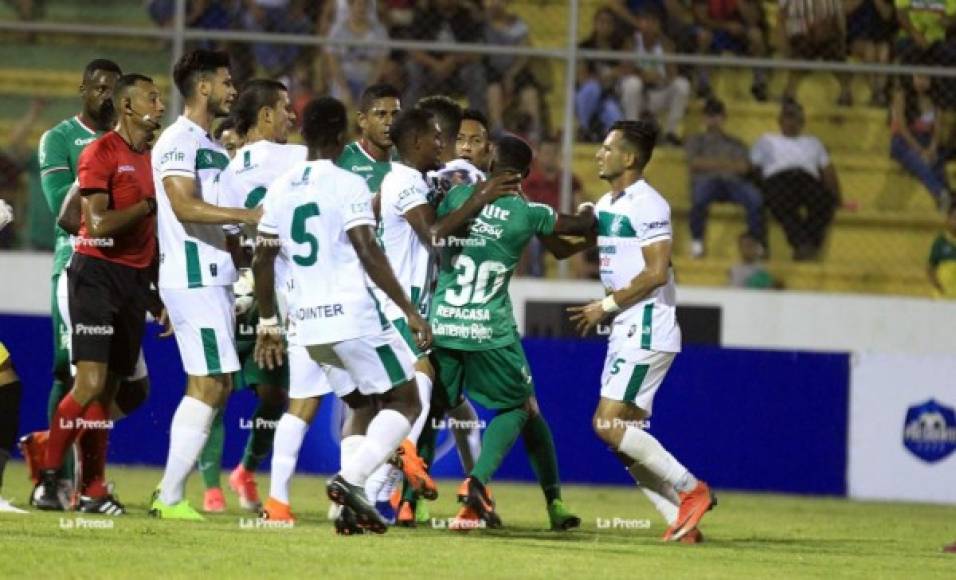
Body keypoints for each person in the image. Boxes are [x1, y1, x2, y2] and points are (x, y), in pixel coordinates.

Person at [252, 96, 431, 534]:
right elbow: (368, 249)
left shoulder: (283, 186)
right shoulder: (348, 183)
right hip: (353, 317)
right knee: (407, 400)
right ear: (340, 135)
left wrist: (269, 320)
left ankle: (352, 509)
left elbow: (261, 259)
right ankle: (351, 482)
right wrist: (409, 310)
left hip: (309, 326)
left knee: (362, 403)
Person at [428, 134, 592, 531]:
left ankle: (411, 501)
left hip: (444, 325)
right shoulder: (529, 213)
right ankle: (479, 484)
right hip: (488, 330)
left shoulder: (457, 199)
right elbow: (577, 228)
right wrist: (592, 213)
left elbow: (434, 232)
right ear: (527, 174)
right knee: (521, 406)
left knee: (435, 408)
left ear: (491, 163)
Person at [567, 119, 713, 544]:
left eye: (607, 148)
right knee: (622, 438)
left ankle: (690, 489)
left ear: (629, 158)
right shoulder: (612, 202)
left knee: (606, 425)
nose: (599, 153)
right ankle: (680, 522)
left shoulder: (649, 205)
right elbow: (580, 232)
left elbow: (655, 272)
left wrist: (605, 306)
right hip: (628, 328)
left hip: (646, 325)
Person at [32, 74, 167, 516]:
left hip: (131, 283)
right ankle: (48, 476)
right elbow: (98, 223)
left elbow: (151, 240)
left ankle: (93, 490)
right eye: (152, 97)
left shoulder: (151, 156)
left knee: (112, 393)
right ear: (128, 107)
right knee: (87, 383)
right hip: (94, 276)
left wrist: (154, 294)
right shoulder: (101, 152)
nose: (161, 104)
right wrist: (148, 205)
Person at [148, 49, 261, 520]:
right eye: (226, 81)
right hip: (193, 276)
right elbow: (183, 205)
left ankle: (170, 493)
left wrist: (249, 247)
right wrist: (245, 215)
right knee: (210, 383)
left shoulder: (214, 149)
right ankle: (170, 495)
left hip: (214, 279)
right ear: (202, 87)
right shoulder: (178, 141)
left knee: (218, 383)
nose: (233, 90)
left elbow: (228, 227)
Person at [193, 79, 302, 514]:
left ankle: (245, 469)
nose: (293, 116)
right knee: (216, 389)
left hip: (267, 294)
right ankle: (210, 486)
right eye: (285, 108)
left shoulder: (236, 171)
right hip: (236, 291)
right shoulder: (291, 160)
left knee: (272, 395)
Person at [33, 59, 122, 505]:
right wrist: (101, 156)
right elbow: (64, 214)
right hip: (77, 267)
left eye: (114, 89)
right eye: (99, 87)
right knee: (67, 372)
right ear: (82, 88)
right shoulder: (60, 139)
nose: (106, 96)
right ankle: (58, 479)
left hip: (122, 271)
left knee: (122, 383)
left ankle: (77, 470)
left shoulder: (128, 143)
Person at [750, 100, 840, 261]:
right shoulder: (766, 140)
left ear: (802, 122)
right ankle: (803, 245)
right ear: (779, 120)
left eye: (796, 118)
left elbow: (827, 170)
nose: (791, 122)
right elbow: (754, 167)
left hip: (806, 178)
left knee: (825, 201)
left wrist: (836, 194)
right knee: (780, 202)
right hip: (778, 178)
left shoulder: (813, 142)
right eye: (787, 117)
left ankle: (806, 244)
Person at [685, 98, 764, 258]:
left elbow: (743, 168)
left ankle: (755, 242)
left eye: (717, 115)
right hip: (707, 182)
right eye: (710, 115)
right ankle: (697, 242)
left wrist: (712, 164)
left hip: (733, 183)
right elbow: (695, 164)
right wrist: (729, 164)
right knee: (699, 197)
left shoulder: (736, 143)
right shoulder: (695, 140)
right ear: (704, 118)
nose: (713, 119)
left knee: (754, 198)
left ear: (723, 117)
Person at [402, 0, 487, 112]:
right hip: (428, 67)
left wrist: (454, 61)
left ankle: (476, 118)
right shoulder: (425, 14)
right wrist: (434, 64)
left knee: (475, 71)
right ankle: (407, 118)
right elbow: (411, 48)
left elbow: (477, 52)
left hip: (458, 68)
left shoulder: (467, 16)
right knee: (413, 68)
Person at [520, 136, 584, 276]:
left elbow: (580, 206)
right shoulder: (529, 182)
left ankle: (582, 286)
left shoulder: (570, 180)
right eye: (547, 153)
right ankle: (533, 284)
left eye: (554, 153)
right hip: (538, 229)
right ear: (539, 155)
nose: (550, 157)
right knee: (531, 241)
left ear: (559, 155)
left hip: (565, 227)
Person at [483, 0, 545, 141]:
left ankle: (534, 130)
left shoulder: (517, 24)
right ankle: (497, 129)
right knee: (494, 86)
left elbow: (524, 53)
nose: (494, 4)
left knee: (529, 89)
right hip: (492, 69)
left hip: (514, 69)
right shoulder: (482, 24)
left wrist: (511, 74)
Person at [890, 72, 952, 211]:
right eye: (919, 77)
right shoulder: (902, 95)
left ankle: (948, 201)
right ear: (912, 77)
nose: (922, 82)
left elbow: (937, 129)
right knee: (918, 161)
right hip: (903, 140)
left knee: (937, 162)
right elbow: (902, 128)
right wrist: (920, 150)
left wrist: (932, 148)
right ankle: (940, 193)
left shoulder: (934, 99)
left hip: (926, 139)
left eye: (926, 78)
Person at [630, 8, 692, 146]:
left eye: (652, 22)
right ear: (639, 23)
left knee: (682, 85)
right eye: (645, 21)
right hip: (639, 94)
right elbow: (625, 69)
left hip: (659, 92)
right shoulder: (632, 42)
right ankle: (632, 131)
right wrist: (642, 75)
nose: (648, 25)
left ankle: (672, 132)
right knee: (632, 83)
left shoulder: (666, 43)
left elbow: (673, 74)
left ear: (658, 25)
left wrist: (660, 78)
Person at [575, 7, 636, 141]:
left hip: (609, 96)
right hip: (587, 96)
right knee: (592, 88)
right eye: (601, 22)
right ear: (595, 24)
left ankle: (602, 137)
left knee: (614, 117)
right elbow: (582, 78)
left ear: (613, 26)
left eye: (608, 22)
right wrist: (609, 75)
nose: (604, 26)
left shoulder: (619, 46)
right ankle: (584, 129)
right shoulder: (585, 46)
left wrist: (606, 76)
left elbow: (627, 69)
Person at [778, 0, 852, 106]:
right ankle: (790, 93)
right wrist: (784, 47)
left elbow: (839, 18)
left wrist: (842, 41)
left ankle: (846, 91)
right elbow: (781, 18)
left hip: (827, 35)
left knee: (835, 50)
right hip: (800, 35)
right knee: (801, 52)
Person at [692, 0, 769, 100]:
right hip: (712, 30)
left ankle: (759, 83)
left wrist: (741, 4)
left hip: (739, 32)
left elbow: (753, 21)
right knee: (703, 36)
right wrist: (726, 26)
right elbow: (701, 19)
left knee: (756, 35)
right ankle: (703, 83)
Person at [336, 83, 402, 194]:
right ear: (362, 120)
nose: (390, 122)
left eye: (395, 114)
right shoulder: (342, 160)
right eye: (381, 114)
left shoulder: (407, 159)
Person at [326, 0, 390, 108]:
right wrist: (344, 89)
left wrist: (368, 88)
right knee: (341, 102)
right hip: (344, 79)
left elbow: (380, 63)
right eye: (359, 5)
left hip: (368, 79)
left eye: (365, 5)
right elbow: (333, 62)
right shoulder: (337, 30)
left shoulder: (379, 31)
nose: (362, 8)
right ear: (350, 7)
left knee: (370, 104)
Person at [846, 0, 896, 106]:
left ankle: (880, 92)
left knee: (884, 50)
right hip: (856, 37)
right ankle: (875, 92)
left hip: (879, 38)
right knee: (870, 49)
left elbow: (887, 15)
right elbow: (845, 9)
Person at [928, 205, 956, 298]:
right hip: (943, 297)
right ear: (948, 220)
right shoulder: (941, 241)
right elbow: (930, 268)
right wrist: (939, 288)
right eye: (954, 218)